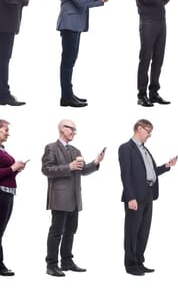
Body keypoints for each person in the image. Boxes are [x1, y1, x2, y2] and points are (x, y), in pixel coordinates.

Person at [41, 119, 103, 277]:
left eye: (75, 130)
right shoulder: (51, 148)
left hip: (75, 198)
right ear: (62, 128)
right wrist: (68, 167)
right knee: (56, 232)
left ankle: (67, 261)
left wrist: (95, 163)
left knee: (70, 231)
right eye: (72, 129)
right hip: (60, 197)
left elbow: (82, 171)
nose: (74, 132)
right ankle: (51, 265)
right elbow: (47, 169)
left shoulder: (76, 150)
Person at [118, 119, 178, 275]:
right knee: (132, 231)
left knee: (144, 230)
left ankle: (139, 261)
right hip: (135, 196)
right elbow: (126, 175)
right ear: (139, 128)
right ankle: (130, 265)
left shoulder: (145, 150)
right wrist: (130, 197)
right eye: (148, 131)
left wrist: (166, 166)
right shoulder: (126, 148)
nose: (150, 135)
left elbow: (151, 172)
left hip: (149, 193)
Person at [56, 0, 109, 108]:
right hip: (69, 25)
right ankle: (66, 98)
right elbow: (80, 1)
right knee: (67, 62)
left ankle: (68, 95)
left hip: (75, 25)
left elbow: (81, 3)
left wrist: (101, 0)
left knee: (71, 61)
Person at [131, 0, 178, 107]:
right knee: (145, 58)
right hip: (148, 22)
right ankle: (141, 95)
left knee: (159, 58)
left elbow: (161, 0)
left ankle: (154, 93)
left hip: (161, 22)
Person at [0, 119, 26, 276]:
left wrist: (16, 170)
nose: (8, 133)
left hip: (7, 192)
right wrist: (12, 168)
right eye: (6, 130)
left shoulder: (1, 150)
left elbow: (6, 172)